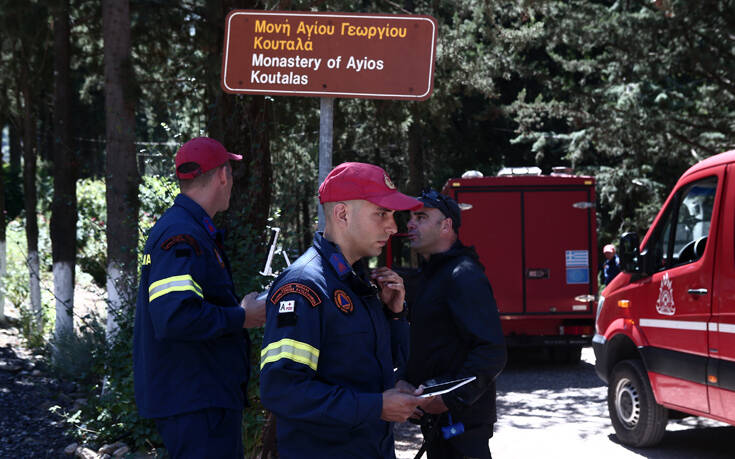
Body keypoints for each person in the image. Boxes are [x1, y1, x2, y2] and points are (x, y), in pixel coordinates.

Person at [259, 162, 431, 458]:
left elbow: (381, 371)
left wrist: (395, 315)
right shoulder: (304, 286)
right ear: (342, 214)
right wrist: (376, 406)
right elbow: (282, 391)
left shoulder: (358, 281)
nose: (392, 227)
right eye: (381, 213)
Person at [133, 137, 266, 458]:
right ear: (222, 175)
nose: (232, 181)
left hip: (198, 398)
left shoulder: (187, 229)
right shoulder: (183, 234)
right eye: (231, 172)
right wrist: (242, 316)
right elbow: (175, 317)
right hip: (197, 401)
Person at [397, 189, 507, 459]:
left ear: (446, 225)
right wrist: (406, 382)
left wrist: (447, 397)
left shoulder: (463, 275)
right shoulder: (430, 276)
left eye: (421, 217)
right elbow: (432, 344)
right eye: (411, 217)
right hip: (438, 423)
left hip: (463, 426)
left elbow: (491, 352)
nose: (410, 223)